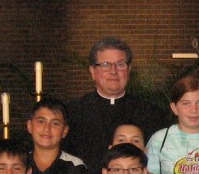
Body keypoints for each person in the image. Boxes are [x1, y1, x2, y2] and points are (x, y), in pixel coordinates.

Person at [64, 37, 167, 166]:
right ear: (92, 71)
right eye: (105, 65)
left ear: (129, 70)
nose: (113, 71)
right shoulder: (72, 112)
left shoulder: (151, 113)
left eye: (120, 65)